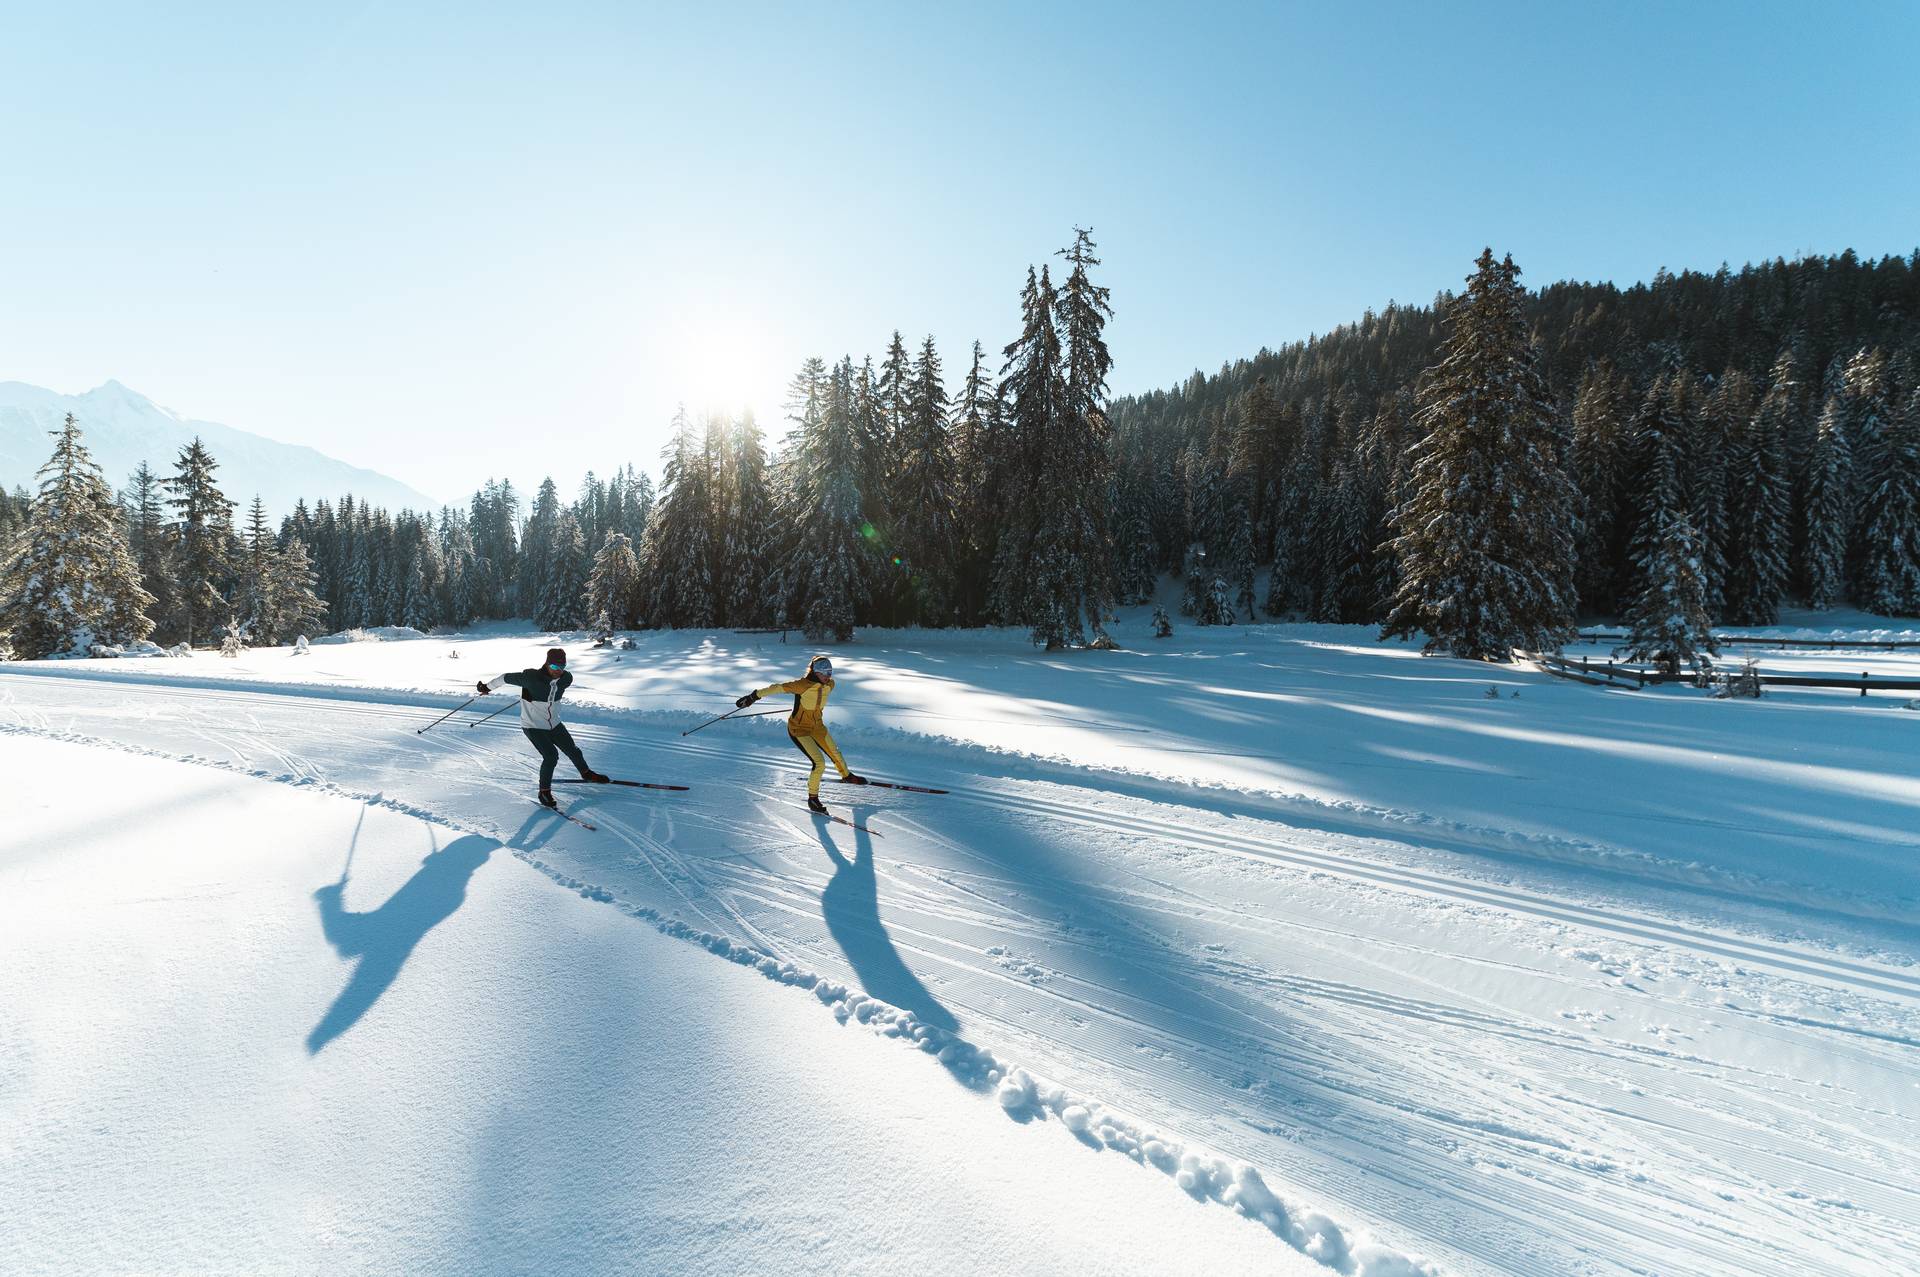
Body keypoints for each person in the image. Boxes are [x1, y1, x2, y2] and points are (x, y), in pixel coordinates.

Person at [478, 647, 607, 807]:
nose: (558, 671)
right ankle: (544, 792)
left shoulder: (567, 678)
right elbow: (504, 678)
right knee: (551, 756)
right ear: (546, 664)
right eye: (554, 667)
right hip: (533, 726)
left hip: (554, 723)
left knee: (573, 750)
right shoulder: (530, 678)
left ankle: (586, 774)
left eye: (562, 667)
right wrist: (486, 688)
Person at [737, 653, 865, 813]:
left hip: (817, 727)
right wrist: (752, 697)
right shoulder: (802, 685)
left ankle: (846, 776)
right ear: (814, 672)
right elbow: (776, 688)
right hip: (799, 729)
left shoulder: (830, 685)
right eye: (824, 672)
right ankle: (813, 799)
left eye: (830, 672)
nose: (828, 676)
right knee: (819, 763)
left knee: (835, 753)